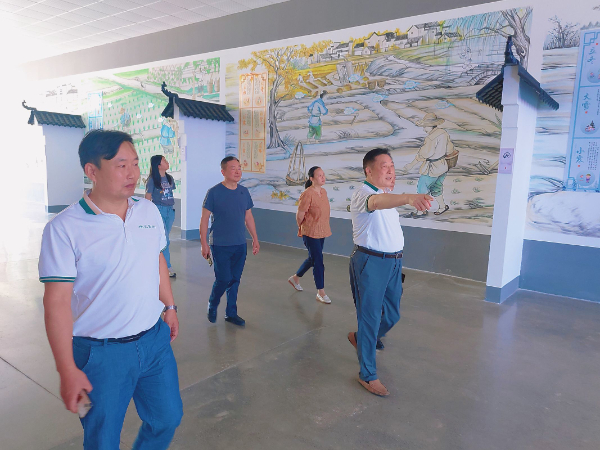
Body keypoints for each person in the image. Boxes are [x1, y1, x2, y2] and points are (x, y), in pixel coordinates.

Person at [39, 129, 183, 449]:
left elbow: (157, 257)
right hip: (101, 354)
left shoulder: (147, 211)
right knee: (103, 440)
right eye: (121, 165)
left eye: (135, 163)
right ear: (92, 171)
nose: (133, 173)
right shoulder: (64, 228)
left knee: (167, 418)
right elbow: (57, 303)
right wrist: (66, 369)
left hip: (154, 341)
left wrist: (170, 306)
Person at [348, 148, 433, 397]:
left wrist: (403, 198)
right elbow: (375, 203)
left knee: (392, 315)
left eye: (392, 166)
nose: (391, 171)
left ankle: (361, 338)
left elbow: (384, 202)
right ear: (369, 170)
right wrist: (407, 198)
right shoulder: (362, 193)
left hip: (393, 263)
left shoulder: (385, 195)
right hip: (370, 262)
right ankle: (367, 374)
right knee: (370, 318)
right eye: (384, 166)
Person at [200, 156, 260, 327]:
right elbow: (204, 219)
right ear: (223, 171)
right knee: (223, 278)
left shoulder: (244, 192)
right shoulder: (214, 192)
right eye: (233, 168)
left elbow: (248, 217)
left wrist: (255, 238)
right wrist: (204, 244)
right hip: (220, 244)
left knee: (235, 280)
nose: (237, 171)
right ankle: (213, 303)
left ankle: (231, 313)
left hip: (239, 243)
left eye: (239, 168)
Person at [288, 166, 332, 304]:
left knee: (313, 258)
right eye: (319, 175)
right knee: (318, 261)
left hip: (322, 231)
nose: (323, 177)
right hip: (310, 232)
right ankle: (321, 292)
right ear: (312, 178)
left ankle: (295, 278)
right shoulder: (307, 194)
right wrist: (303, 228)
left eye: (323, 175)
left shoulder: (323, 192)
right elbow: (300, 215)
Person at [399, 113, 454, 217]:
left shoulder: (430, 138)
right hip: (442, 166)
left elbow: (423, 154)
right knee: (436, 187)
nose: (424, 129)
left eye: (425, 126)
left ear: (430, 125)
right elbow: (450, 149)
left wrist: (411, 165)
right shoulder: (444, 133)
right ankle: (442, 206)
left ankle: (421, 211)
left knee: (422, 189)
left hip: (432, 168)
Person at [146, 154, 177, 277]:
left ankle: (157, 263)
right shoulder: (152, 180)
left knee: (164, 239)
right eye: (164, 160)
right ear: (158, 165)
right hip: (158, 210)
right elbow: (148, 197)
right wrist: (147, 214)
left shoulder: (169, 178)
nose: (167, 162)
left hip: (170, 211)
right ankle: (167, 266)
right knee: (165, 240)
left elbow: (170, 193)